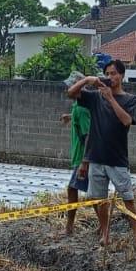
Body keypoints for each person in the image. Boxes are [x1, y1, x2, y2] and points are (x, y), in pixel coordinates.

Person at [65, 59, 136, 248]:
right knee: (99, 199)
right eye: (107, 74)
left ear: (122, 75)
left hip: (117, 159)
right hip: (96, 158)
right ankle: (105, 233)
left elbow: (126, 121)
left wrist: (110, 98)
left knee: (128, 199)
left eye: (114, 73)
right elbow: (71, 93)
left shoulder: (130, 99)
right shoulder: (95, 97)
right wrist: (87, 81)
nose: (110, 77)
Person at [59, 73, 92, 236]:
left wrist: (84, 162)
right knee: (94, 194)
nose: (68, 89)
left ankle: (69, 227)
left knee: (73, 189)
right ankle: (102, 227)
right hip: (81, 157)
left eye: (71, 86)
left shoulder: (82, 109)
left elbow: (88, 136)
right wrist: (70, 117)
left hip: (82, 157)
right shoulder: (77, 107)